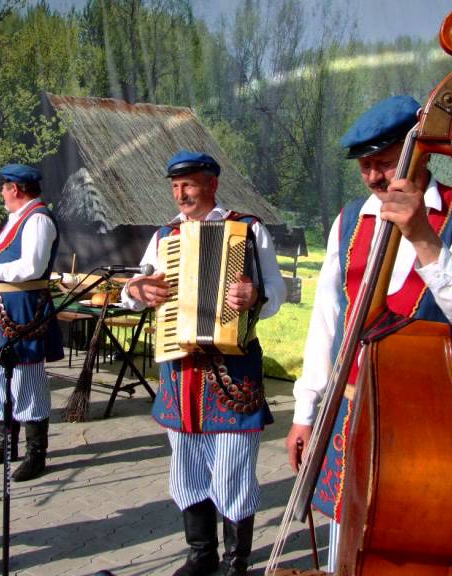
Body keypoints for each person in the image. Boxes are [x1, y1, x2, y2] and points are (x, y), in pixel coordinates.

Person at [285, 95, 452, 574]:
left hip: (425, 421)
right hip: (347, 411)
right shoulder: (348, 221)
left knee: (428, 544)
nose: (372, 177)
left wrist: (423, 237)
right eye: (364, 166)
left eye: (383, 163)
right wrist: (305, 412)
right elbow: (327, 324)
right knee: (346, 540)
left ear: (418, 153)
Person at [121, 150, 287, 576]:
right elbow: (134, 288)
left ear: (212, 183)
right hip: (181, 370)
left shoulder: (247, 229)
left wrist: (255, 298)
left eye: (189, 184)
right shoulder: (165, 236)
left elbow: (277, 291)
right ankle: (201, 553)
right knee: (186, 463)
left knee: (232, 465)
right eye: (175, 186)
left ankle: (237, 560)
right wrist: (139, 292)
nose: (181, 194)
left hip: (233, 368)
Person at [0, 163, 63, 481]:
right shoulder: (16, 220)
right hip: (0, 309)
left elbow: (32, 266)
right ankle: (4, 445)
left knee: (26, 380)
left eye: (4, 188)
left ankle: (37, 454)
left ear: (15, 189)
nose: (2, 194)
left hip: (24, 312)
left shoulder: (37, 219)